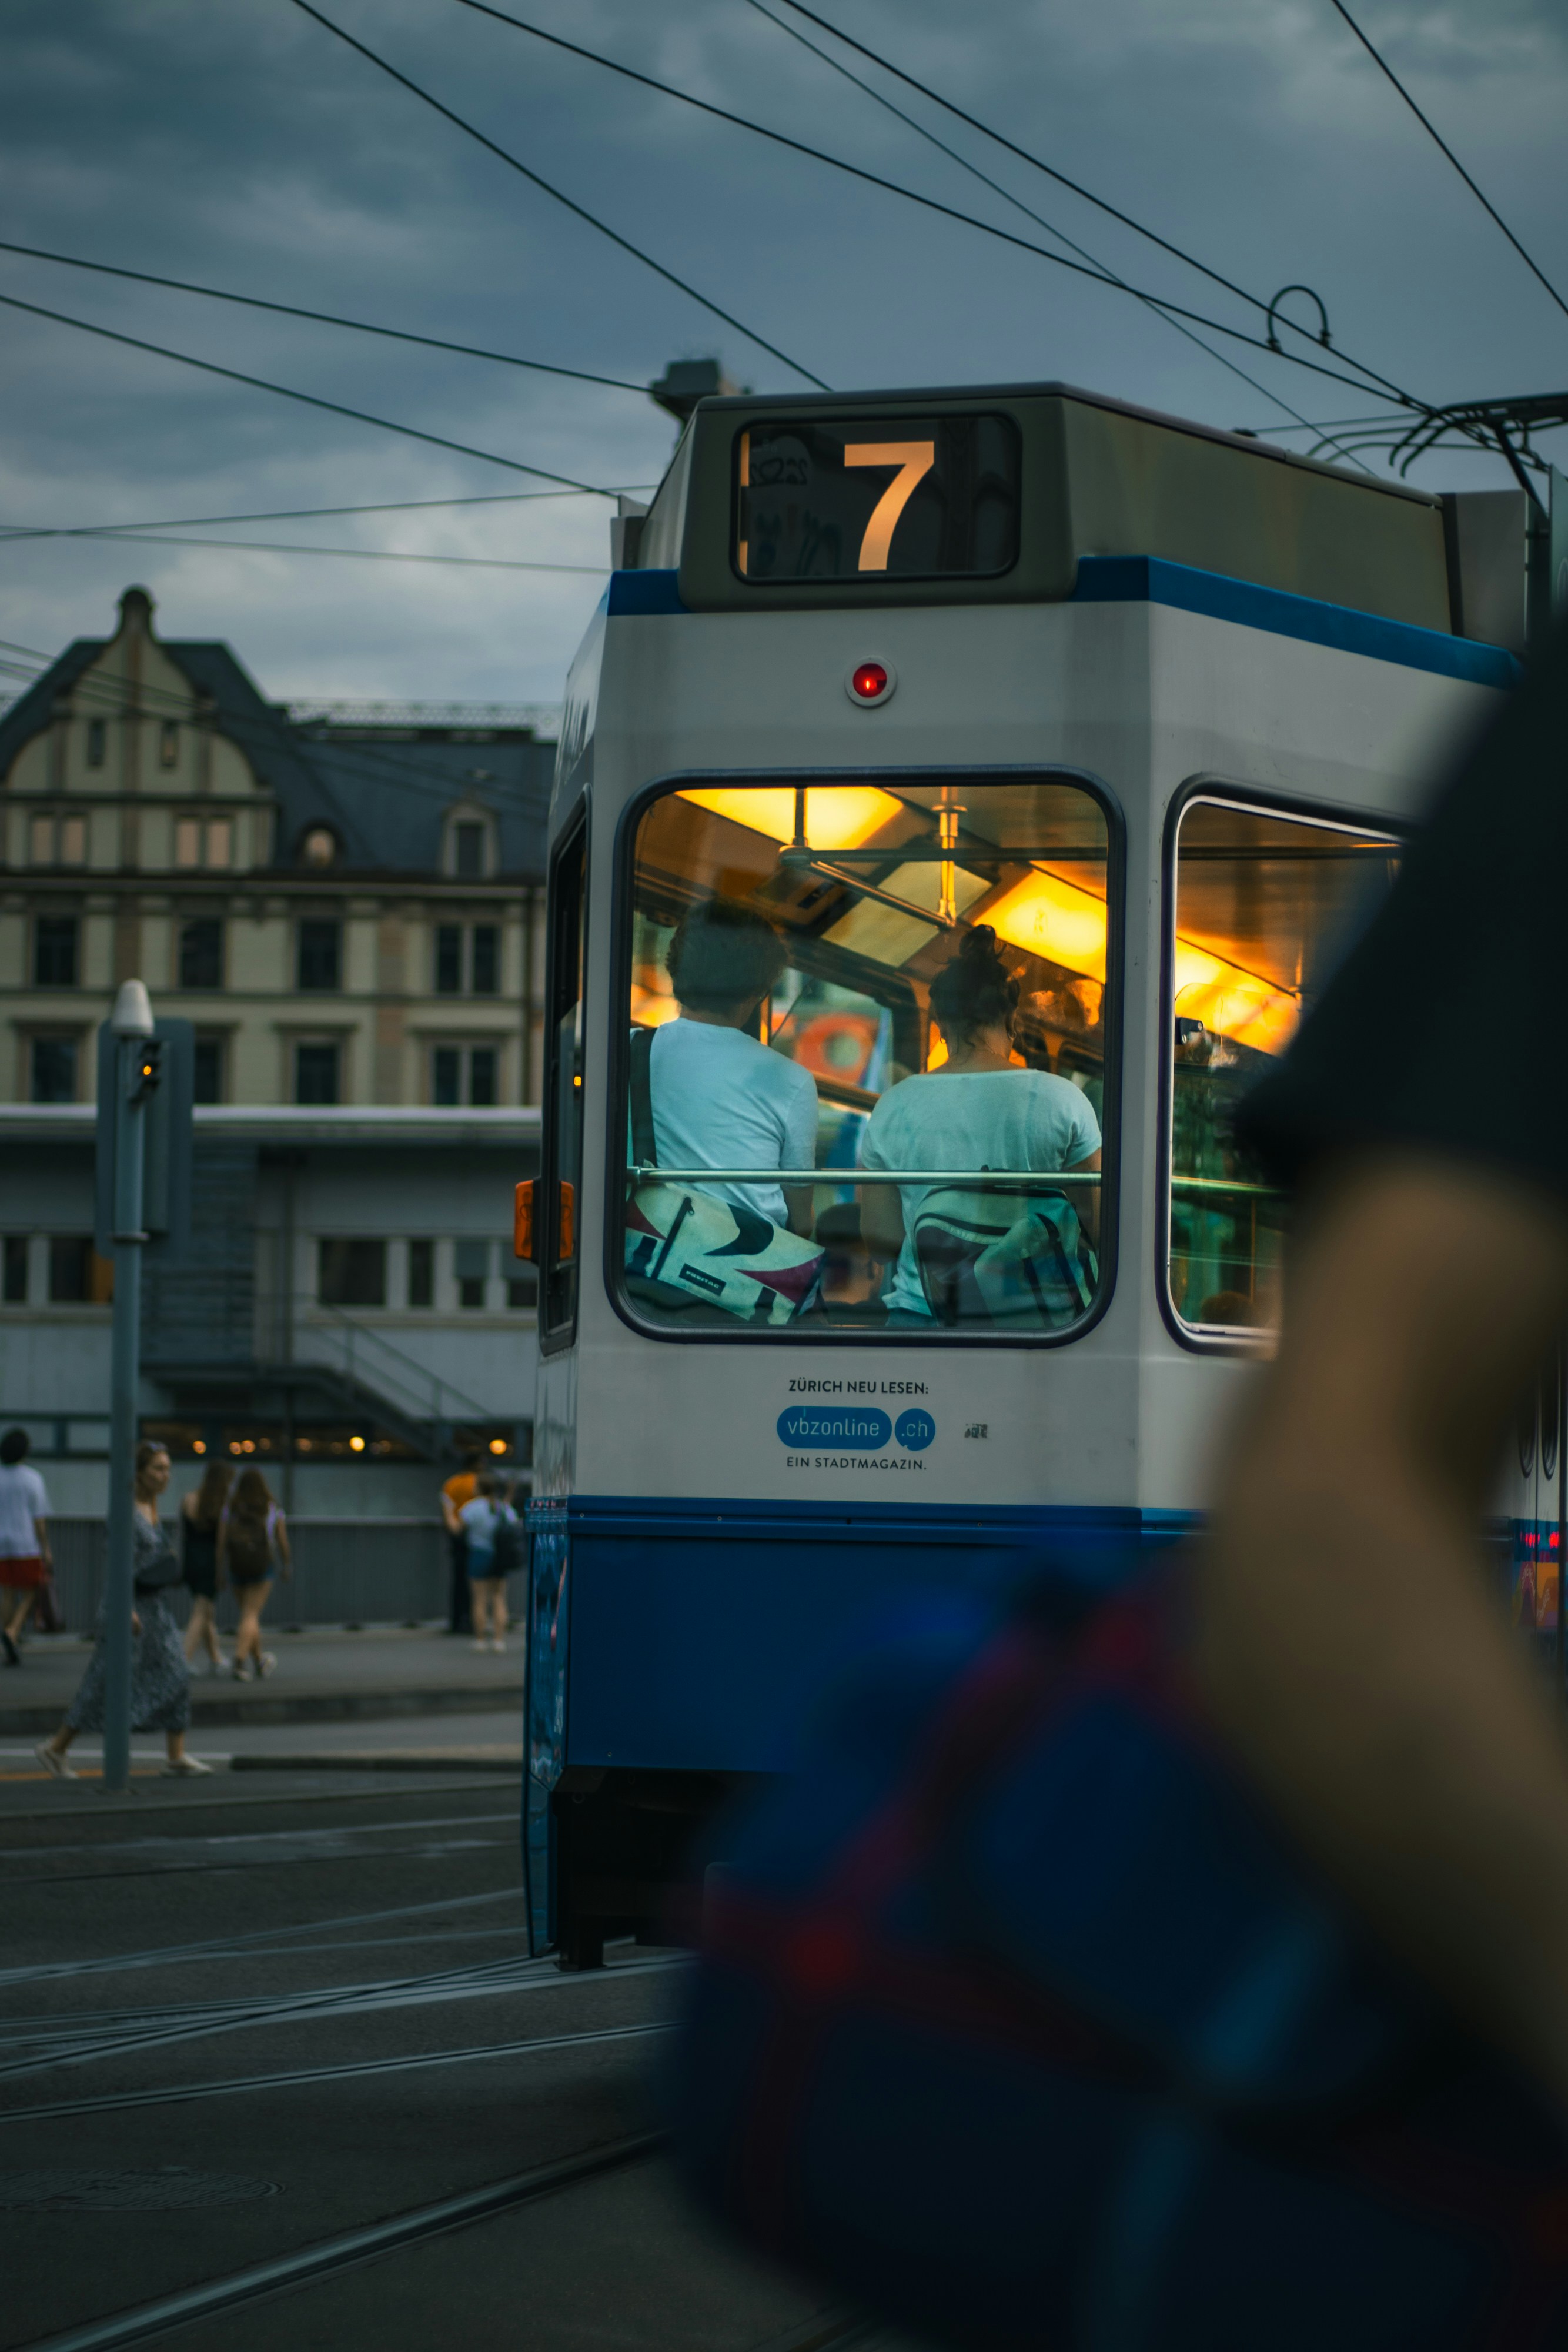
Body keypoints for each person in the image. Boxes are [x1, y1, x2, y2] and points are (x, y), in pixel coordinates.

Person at [859, 924, 1101, 1318]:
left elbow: (881, 1243)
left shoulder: (894, 1104)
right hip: (1038, 1323)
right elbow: (1098, 1227)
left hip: (923, 1317)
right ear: (1011, 1018)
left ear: (939, 1021)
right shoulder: (1062, 1099)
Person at [644, 898, 818, 1237]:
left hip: (645, 1265)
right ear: (758, 991)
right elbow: (801, 1223)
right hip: (750, 1280)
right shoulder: (791, 1079)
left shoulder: (631, 1052)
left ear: (675, 971)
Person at [35, 1441, 208, 1778]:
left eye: (168, 1469)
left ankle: (176, 1755)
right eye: (158, 1469)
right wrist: (124, 1608)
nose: (165, 1476)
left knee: (176, 1671)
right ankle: (56, 1747)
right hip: (127, 1606)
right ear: (140, 1473)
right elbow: (117, 1564)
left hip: (153, 1606)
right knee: (105, 1680)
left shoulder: (152, 1507)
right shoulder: (124, 1510)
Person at [219, 1466, 288, 1681]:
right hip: (262, 1565)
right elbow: (282, 1540)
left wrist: (219, 1568)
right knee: (251, 1615)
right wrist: (287, 1564)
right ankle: (239, 1662)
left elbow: (220, 1542)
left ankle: (259, 1662)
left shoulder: (231, 1507)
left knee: (248, 1616)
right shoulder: (270, 1507)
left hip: (237, 1565)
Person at [0, 1427, 52, 1666]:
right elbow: (39, 1519)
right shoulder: (33, 1478)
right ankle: (13, 1630)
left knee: (8, 1591)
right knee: (31, 1590)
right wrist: (46, 1549)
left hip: (2, 1543)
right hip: (26, 1543)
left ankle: (7, 1635)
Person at [180, 1460, 233, 1675]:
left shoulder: (189, 1499)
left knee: (207, 1611)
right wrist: (221, 1571)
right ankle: (183, 1660)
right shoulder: (221, 1504)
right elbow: (221, 1543)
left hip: (191, 1559)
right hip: (209, 1561)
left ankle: (216, 1658)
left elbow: (182, 1535)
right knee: (201, 1612)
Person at [458, 1471, 518, 1653]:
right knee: (499, 1597)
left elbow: (457, 1528)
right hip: (500, 1557)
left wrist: (446, 1508)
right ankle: (499, 1641)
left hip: (479, 1554)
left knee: (479, 1599)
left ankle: (481, 1639)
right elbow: (513, 1522)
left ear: (479, 1488)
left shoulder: (472, 1508)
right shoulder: (503, 1507)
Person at [440, 1450, 482, 1636]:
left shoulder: (451, 1483)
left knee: (458, 1580)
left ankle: (456, 1621)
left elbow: (447, 1508)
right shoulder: (478, 1483)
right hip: (477, 1536)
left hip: (457, 1535)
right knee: (477, 1582)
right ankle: (473, 1620)